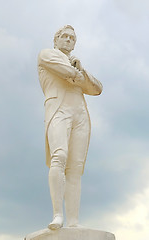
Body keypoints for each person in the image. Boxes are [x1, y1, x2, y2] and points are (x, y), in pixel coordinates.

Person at [37, 25, 103, 230]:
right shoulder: (47, 55)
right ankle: (57, 215)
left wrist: (80, 71)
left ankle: (73, 221)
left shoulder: (76, 63)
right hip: (59, 109)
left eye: (72, 38)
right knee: (60, 156)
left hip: (80, 114)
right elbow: (66, 71)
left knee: (75, 167)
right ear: (55, 40)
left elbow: (97, 88)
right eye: (64, 36)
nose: (68, 40)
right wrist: (79, 74)